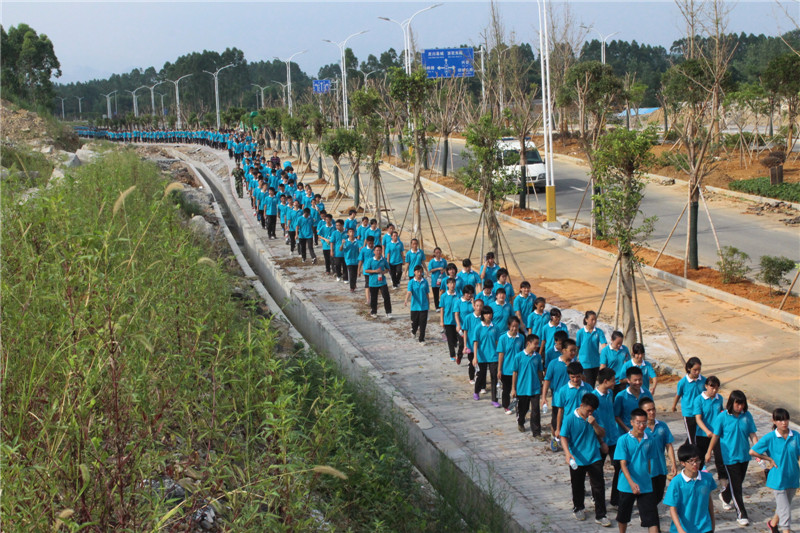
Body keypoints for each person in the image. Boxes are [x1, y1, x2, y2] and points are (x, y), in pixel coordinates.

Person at [705, 390, 758, 526]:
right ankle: (741, 514)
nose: (740, 407)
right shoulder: (722, 417)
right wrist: (709, 451)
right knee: (737, 487)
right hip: (729, 457)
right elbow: (716, 436)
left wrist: (758, 451)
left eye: (742, 404)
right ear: (731, 403)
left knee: (738, 482)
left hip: (744, 456)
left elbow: (752, 434)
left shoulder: (747, 416)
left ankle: (724, 495)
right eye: (737, 404)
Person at [560, 393, 611, 526]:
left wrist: (595, 424)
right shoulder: (570, 418)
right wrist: (567, 454)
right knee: (577, 484)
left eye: (592, 411)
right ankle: (578, 508)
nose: (590, 413)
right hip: (577, 458)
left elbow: (602, 433)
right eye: (588, 410)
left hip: (594, 455)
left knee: (598, 486)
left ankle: (601, 515)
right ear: (581, 405)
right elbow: (563, 436)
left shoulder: (595, 416)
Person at [750, 408, 800, 533]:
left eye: (786, 419)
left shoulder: (796, 436)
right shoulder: (770, 438)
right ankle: (786, 530)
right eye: (780, 420)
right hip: (778, 478)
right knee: (785, 509)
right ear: (774, 421)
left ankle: (773, 523)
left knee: (785, 505)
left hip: (793, 476)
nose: (784, 423)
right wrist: (769, 459)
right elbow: (753, 451)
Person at [615, 408, 660, 533]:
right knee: (623, 516)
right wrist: (631, 483)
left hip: (645, 486)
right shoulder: (623, 440)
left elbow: (649, 461)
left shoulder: (650, 439)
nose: (641, 426)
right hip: (626, 485)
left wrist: (649, 478)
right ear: (632, 422)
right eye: (638, 422)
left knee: (652, 520)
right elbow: (623, 464)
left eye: (644, 422)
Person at [663, 443, 717, 533]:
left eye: (697, 460)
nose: (695, 464)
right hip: (683, 529)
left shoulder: (707, 478)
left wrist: (712, 522)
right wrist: (679, 529)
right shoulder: (676, 482)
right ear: (682, 463)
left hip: (704, 528)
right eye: (691, 461)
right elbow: (672, 508)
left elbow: (709, 500)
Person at [593, 368, 623, 509]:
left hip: (614, 438)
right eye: (613, 380)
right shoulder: (593, 397)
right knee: (597, 471)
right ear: (605, 381)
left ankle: (615, 500)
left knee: (619, 466)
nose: (615, 382)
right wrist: (601, 441)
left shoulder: (610, 394)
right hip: (600, 440)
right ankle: (597, 498)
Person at [542, 338, 577, 451]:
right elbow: (547, 380)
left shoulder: (576, 364)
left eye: (575, 350)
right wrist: (544, 397)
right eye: (571, 350)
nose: (573, 353)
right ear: (563, 350)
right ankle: (555, 438)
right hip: (558, 399)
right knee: (556, 421)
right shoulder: (553, 363)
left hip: (573, 399)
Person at [640, 396, 676, 503]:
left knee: (658, 496)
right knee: (648, 500)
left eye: (653, 409)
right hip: (645, 471)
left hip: (661, 469)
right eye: (648, 410)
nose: (652, 412)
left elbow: (668, 445)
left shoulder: (662, 426)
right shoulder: (639, 430)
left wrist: (673, 463)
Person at [693, 375, 726, 480]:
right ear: (706, 386)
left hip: (716, 434)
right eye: (712, 387)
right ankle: (697, 478)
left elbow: (721, 414)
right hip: (702, 434)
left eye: (716, 388)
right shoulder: (699, 400)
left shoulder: (719, 398)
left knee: (720, 459)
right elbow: (698, 419)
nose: (714, 390)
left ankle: (723, 480)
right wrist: (707, 431)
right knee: (700, 458)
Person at [511, 333, 543, 435]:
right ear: (528, 343)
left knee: (536, 411)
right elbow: (515, 373)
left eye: (538, 343)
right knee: (523, 409)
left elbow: (539, 371)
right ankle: (521, 422)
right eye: (535, 343)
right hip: (522, 388)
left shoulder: (538, 357)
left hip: (535, 388)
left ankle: (536, 432)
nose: (537, 346)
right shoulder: (518, 357)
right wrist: (513, 388)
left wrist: (541, 384)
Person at [555, 362, 594, 438]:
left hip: (585, 422)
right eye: (572, 377)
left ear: (582, 374)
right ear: (568, 375)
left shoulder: (588, 388)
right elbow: (560, 410)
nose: (575, 379)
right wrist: (558, 429)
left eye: (578, 376)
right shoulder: (563, 390)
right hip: (569, 424)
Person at [672, 357, 705, 445]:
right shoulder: (682, 382)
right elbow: (678, 394)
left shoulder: (704, 381)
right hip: (689, 412)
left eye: (699, 370)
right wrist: (674, 406)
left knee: (698, 435)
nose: (697, 372)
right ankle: (692, 451)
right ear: (689, 368)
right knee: (691, 436)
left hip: (700, 412)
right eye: (695, 370)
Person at [472, 306, 501, 405]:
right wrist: (475, 357)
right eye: (486, 313)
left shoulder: (495, 327)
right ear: (483, 315)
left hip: (493, 356)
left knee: (494, 377)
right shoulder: (478, 327)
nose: (489, 315)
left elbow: (497, 342)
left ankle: (494, 399)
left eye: (490, 313)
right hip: (482, 356)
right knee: (481, 375)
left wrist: (500, 355)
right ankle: (476, 391)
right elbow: (475, 343)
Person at [497, 317, 525, 414]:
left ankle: (517, 405)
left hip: (518, 369)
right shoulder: (503, 338)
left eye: (516, 326)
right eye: (512, 326)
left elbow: (522, 352)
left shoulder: (521, 338)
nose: (514, 328)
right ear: (509, 326)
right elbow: (501, 354)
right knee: (506, 389)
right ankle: (506, 406)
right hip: (506, 369)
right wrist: (499, 369)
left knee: (518, 389)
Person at [614, 367, 653, 433]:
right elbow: (616, 416)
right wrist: (627, 429)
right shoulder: (621, 396)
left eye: (640, 380)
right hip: (626, 433)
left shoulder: (647, 393)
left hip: (643, 432)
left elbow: (651, 411)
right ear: (628, 380)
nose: (638, 382)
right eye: (635, 380)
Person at [576, 310, 607, 388]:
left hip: (596, 363)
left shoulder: (599, 332)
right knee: (588, 384)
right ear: (586, 320)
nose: (594, 321)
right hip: (584, 363)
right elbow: (577, 347)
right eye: (592, 319)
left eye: (595, 319)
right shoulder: (580, 333)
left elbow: (604, 345)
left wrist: (606, 357)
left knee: (592, 384)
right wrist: (575, 359)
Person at [363, 244, 392, 319]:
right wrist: (375, 271)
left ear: (381, 251)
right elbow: (366, 270)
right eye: (377, 250)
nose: (378, 252)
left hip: (382, 282)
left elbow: (387, 268)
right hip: (373, 282)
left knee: (386, 296)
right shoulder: (370, 260)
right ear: (374, 252)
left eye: (379, 250)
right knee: (374, 298)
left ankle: (388, 312)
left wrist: (384, 272)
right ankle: (374, 312)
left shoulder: (383, 260)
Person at [403, 265, 430, 345]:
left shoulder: (425, 282)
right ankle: (413, 330)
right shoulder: (411, 282)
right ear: (414, 272)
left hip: (424, 306)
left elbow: (427, 293)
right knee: (415, 322)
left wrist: (428, 303)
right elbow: (409, 292)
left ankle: (421, 339)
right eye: (418, 272)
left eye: (421, 272)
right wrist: (406, 300)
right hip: (415, 306)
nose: (419, 273)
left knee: (423, 323)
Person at [454, 285, 476, 369]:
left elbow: (477, 312)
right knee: (462, 343)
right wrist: (458, 325)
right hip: (462, 327)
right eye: (467, 293)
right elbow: (456, 314)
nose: (469, 295)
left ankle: (471, 360)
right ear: (464, 293)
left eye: (471, 293)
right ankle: (459, 356)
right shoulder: (458, 302)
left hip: (472, 327)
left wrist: (473, 303)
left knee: (471, 343)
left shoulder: (473, 302)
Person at [440, 278, 460, 362]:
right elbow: (442, 309)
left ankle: (455, 344)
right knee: (450, 338)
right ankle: (452, 354)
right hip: (448, 320)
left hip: (457, 320)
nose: (452, 285)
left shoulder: (458, 295)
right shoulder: (443, 296)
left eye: (454, 283)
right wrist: (441, 320)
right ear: (447, 285)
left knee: (456, 338)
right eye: (450, 283)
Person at [341, 228, 360, 292]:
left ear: (354, 233)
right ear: (348, 233)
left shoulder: (357, 241)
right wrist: (342, 244)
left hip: (356, 259)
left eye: (352, 231)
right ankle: (352, 287)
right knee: (351, 273)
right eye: (350, 232)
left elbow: (361, 248)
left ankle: (354, 284)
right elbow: (341, 249)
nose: (351, 233)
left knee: (355, 273)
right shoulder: (345, 241)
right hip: (348, 260)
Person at [358, 236, 376, 306]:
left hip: (375, 270)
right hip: (367, 271)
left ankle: (373, 298)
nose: (371, 245)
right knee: (367, 284)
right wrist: (358, 270)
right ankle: (368, 299)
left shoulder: (376, 249)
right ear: (367, 242)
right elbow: (360, 261)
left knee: (374, 285)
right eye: (369, 243)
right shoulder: (363, 250)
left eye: (372, 243)